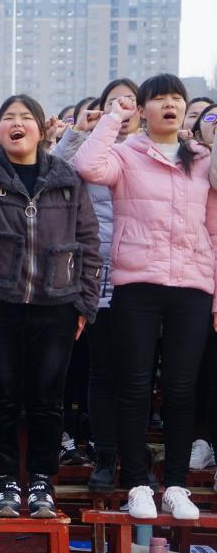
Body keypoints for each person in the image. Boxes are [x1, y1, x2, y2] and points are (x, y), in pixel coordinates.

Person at [75, 75, 217, 520]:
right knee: (134, 385)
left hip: (193, 284)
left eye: (177, 98)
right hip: (136, 282)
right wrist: (114, 119)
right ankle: (137, 481)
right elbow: (87, 166)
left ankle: (175, 484)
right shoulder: (125, 153)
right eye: (159, 99)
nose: (170, 105)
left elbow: (213, 230)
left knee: (179, 388)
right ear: (144, 110)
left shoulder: (202, 160)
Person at [0, 94, 101, 519]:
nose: (16, 124)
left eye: (25, 118)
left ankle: (40, 481)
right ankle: (4, 482)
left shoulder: (66, 176)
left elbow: (89, 242)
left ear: (42, 129)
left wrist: (85, 304)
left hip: (56, 304)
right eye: (8, 118)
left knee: (47, 400)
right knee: (1, 396)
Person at [52, 79, 140, 484]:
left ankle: (134, 462)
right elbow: (53, 176)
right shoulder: (90, 153)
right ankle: (104, 458)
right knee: (103, 372)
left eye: (130, 103)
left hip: (144, 276)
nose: (122, 110)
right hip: (97, 275)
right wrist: (80, 133)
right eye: (112, 104)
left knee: (136, 376)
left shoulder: (149, 154)